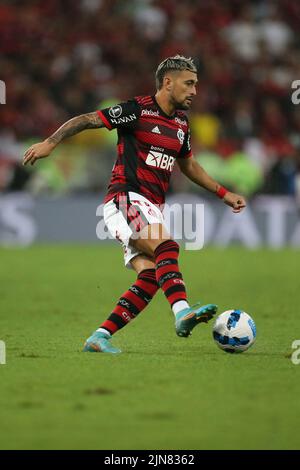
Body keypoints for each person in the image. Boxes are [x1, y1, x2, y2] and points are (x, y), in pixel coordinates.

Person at [23, 55, 246, 354]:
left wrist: (223, 193)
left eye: (196, 85)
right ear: (168, 82)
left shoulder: (181, 123)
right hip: (125, 198)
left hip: (149, 205)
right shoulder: (136, 110)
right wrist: (50, 142)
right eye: (189, 83)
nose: (195, 91)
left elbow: (189, 167)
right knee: (167, 246)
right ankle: (182, 312)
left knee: (152, 276)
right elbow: (87, 119)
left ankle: (99, 337)